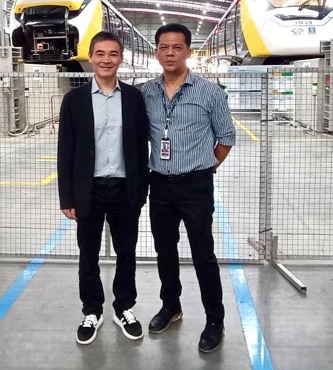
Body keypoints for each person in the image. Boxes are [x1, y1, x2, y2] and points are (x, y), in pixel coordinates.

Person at [141, 23, 236, 354]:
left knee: (203, 255)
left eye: (177, 47)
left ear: (188, 52)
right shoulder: (146, 93)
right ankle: (171, 306)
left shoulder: (209, 92)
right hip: (159, 185)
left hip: (196, 185)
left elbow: (226, 136)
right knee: (165, 251)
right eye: (164, 47)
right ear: (156, 52)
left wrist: (208, 167)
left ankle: (214, 321)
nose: (170, 53)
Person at [57, 31, 149, 345]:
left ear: (121, 58)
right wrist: (67, 197)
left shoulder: (134, 98)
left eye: (113, 54)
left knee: (127, 253)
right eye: (100, 53)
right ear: (91, 57)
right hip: (89, 190)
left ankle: (124, 308)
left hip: (125, 190)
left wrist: (140, 190)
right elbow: (66, 151)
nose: (106, 60)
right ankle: (92, 310)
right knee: (88, 255)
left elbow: (141, 147)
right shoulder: (74, 100)